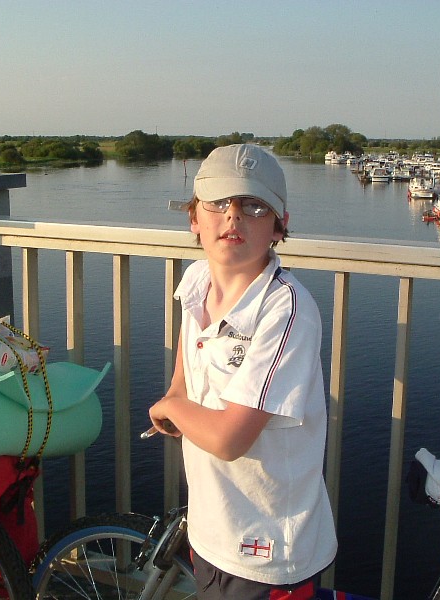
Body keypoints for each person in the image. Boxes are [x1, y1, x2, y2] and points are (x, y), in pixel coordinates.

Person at [148, 144, 337, 599]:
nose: (233, 217)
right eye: (218, 203)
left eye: (254, 206)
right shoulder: (197, 280)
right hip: (212, 526)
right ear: (194, 218)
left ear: (279, 225)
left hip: (265, 549)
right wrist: (179, 392)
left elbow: (231, 440)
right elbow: (188, 354)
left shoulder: (286, 310)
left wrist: (172, 405)